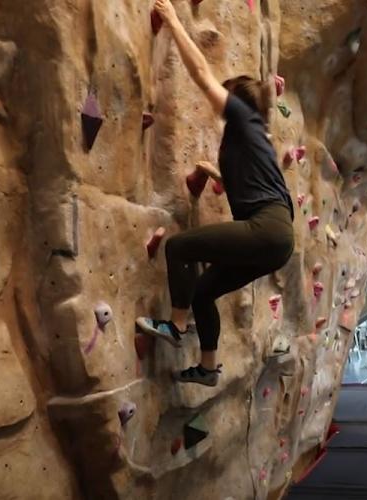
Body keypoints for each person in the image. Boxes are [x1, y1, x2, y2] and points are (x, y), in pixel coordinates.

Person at [136, 0, 294, 387]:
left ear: (237, 101)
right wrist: (209, 172)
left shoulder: (243, 119)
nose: (218, 105)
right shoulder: (254, 138)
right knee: (204, 291)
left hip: (267, 230)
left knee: (179, 248)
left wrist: (174, 22)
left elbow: (202, 75)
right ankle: (208, 368)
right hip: (276, 238)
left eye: (226, 98)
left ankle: (175, 326)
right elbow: (238, 183)